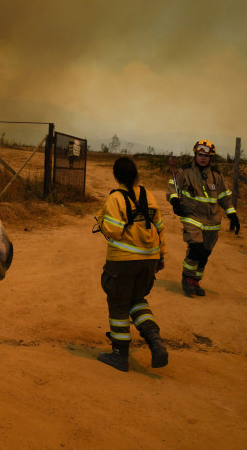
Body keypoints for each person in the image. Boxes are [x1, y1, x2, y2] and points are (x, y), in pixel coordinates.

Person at [95, 157, 168, 372]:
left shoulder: (115, 199)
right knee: (137, 299)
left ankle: (119, 354)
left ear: (116, 176)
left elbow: (113, 231)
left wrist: (100, 219)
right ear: (136, 174)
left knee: (118, 304)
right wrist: (161, 256)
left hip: (123, 261)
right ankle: (155, 340)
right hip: (149, 259)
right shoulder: (149, 195)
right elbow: (160, 228)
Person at [167, 140, 239, 297]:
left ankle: (196, 280)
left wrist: (232, 213)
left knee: (205, 253)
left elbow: (224, 197)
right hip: (191, 216)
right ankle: (187, 278)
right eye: (200, 155)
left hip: (212, 220)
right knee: (196, 248)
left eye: (207, 155)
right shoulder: (185, 171)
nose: (203, 158)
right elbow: (173, 187)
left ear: (211, 157)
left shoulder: (217, 175)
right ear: (195, 154)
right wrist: (174, 200)